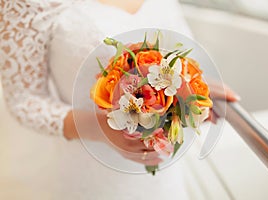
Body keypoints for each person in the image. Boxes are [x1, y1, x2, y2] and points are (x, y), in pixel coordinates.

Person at [0, 0, 239, 199]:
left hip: (166, 180)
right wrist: (100, 128)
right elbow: (24, 99)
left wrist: (192, 94)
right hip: (92, 180)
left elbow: (175, 52)